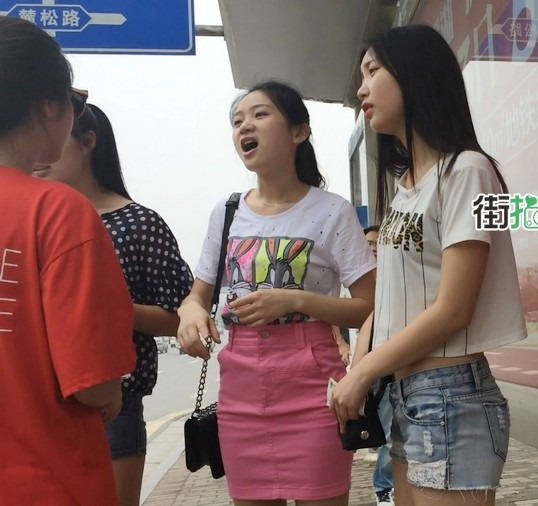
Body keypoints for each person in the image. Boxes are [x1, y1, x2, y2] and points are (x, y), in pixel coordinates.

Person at [331, 24, 527, 506]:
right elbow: (387, 299)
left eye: (373, 71)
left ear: (414, 74)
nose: (362, 89)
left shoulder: (470, 170)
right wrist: (358, 368)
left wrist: (363, 372)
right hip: (407, 393)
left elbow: (454, 309)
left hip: (451, 394)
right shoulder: (405, 188)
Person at [178, 80, 376, 506]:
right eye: (237, 121)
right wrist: (190, 313)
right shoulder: (226, 212)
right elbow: (197, 296)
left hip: (314, 389)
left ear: (298, 131)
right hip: (241, 392)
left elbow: (371, 307)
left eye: (260, 114)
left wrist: (295, 300)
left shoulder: (332, 211)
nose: (244, 126)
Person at [0, 16, 136, 506]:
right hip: (45, 481)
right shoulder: (56, 211)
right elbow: (93, 383)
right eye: (73, 104)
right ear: (49, 106)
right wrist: (111, 392)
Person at [33, 103, 193, 506]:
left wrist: (104, 306)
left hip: (111, 405)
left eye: (53, 138)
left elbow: (181, 318)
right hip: (35, 401)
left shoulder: (138, 224)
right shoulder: (33, 219)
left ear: (88, 142)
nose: (40, 153)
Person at [362, 225, 393, 506]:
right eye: (368, 243)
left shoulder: (394, 271)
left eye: (376, 242)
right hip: (373, 361)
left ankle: (388, 485)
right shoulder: (359, 278)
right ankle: (384, 487)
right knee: (386, 427)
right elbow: (365, 322)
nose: (373, 247)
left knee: (391, 427)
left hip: (395, 357)